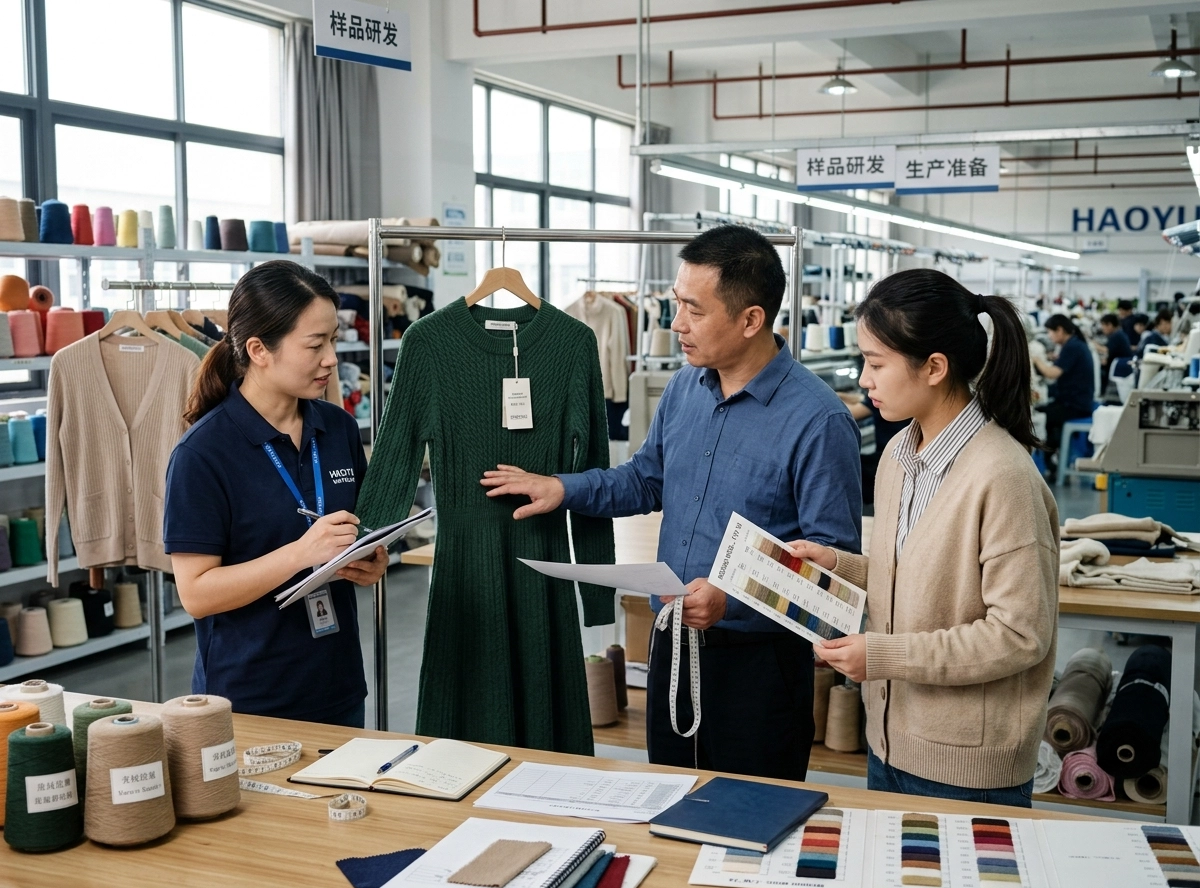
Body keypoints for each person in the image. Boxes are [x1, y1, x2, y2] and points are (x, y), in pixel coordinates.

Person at [481, 225, 862, 781]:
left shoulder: (818, 420)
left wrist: (730, 600)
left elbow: (833, 582)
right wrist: (563, 489)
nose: (675, 324)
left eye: (693, 309)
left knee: (748, 823)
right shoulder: (685, 388)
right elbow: (645, 479)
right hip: (673, 645)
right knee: (669, 804)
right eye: (675, 305)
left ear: (751, 319)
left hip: (758, 671)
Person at [787, 269, 1058, 808]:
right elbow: (918, 577)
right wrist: (841, 565)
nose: (864, 380)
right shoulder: (899, 456)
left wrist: (883, 656)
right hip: (890, 745)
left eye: (875, 363)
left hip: (968, 767)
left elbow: (1020, 634)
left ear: (934, 367)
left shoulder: (1002, 477)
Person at [164, 260, 388, 726]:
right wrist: (303, 554)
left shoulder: (338, 428)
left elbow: (358, 530)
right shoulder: (203, 454)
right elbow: (197, 594)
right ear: (258, 350)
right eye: (315, 344)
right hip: (248, 699)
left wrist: (369, 559)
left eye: (332, 339)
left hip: (338, 685)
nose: (332, 357)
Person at [1032, 313, 1094, 477]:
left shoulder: (1072, 347)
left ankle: (1044, 461)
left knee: (1039, 415)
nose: (1049, 336)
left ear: (1059, 330)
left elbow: (1052, 373)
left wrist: (1036, 360)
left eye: (1050, 332)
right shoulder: (1075, 344)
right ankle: (1050, 462)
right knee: (1047, 416)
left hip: (1075, 406)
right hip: (1076, 402)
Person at [1095, 312, 1133, 389]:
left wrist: (1093, 344)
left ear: (1110, 325)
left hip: (1119, 368)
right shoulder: (1119, 334)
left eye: (1103, 325)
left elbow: (1106, 350)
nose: (1102, 328)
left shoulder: (1117, 336)